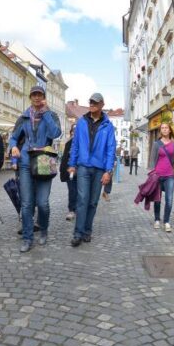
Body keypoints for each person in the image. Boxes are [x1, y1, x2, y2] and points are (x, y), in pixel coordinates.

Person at [9, 85, 62, 252]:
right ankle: (27, 237)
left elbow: (55, 134)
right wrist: (13, 147)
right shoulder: (24, 117)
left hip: (45, 160)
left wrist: (45, 112)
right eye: (34, 95)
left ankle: (44, 229)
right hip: (26, 161)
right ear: (30, 97)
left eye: (39, 95)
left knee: (43, 203)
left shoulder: (51, 115)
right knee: (26, 203)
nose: (37, 98)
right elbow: (14, 137)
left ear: (44, 97)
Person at [67, 93, 116, 247]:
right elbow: (75, 144)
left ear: (102, 104)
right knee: (82, 200)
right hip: (83, 167)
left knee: (93, 202)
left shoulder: (108, 125)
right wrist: (72, 163)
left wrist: (108, 171)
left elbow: (111, 149)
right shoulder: (81, 122)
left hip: (99, 169)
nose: (92, 104)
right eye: (90, 102)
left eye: (95, 102)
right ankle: (78, 233)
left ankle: (87, 231)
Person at [148, 122, 174, 233]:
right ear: (160, 131)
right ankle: (157, 219)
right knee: (157, 199)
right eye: (162, 128)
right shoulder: (157, 144)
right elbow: (152, 160)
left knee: (169, 200)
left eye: (166, 128)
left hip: (169, 176)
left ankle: (166, 221)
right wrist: (152, 174)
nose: (165, 129)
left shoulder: (173, 144)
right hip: (158, 175)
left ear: (170, 130)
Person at [59, 124, 77, 221]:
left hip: (81, 171)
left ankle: (78, 208)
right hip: (69, 171)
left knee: (79, 191)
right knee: (72, 190)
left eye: (75, 131)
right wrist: (62, 171)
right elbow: (64, 158)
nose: (74, 133)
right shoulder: (68, 143)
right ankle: (71, 209)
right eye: (72, 132)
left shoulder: (83, 142)